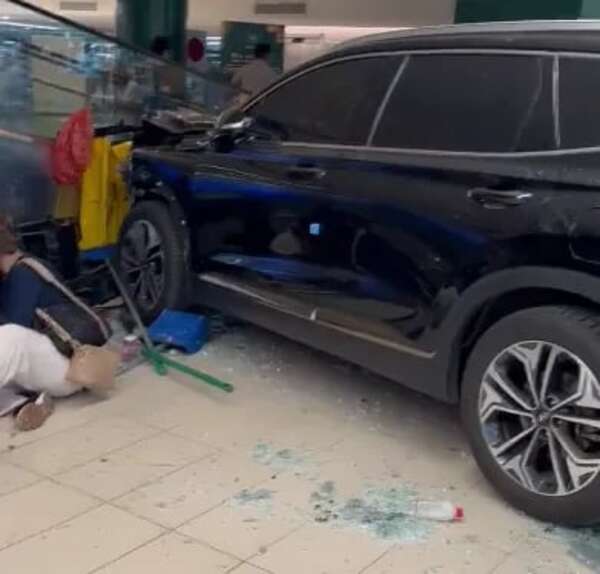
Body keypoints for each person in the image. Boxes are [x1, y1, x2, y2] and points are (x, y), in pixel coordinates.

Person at [0, 216, 111, 431]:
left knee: (12, 338)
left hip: (70, 369)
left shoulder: (24, 273)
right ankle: (28, 402)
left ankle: (25, 398)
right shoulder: (9, 277)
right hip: (41, 369)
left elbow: (14, 327)